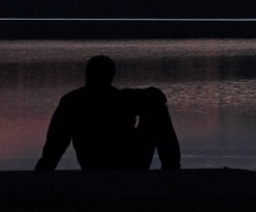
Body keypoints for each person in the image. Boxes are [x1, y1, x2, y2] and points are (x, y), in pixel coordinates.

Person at [35, 54, 181, 171]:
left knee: (157, 108)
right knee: (158, 110)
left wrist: (44, 168)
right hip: (129, 163)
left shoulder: (72, 101)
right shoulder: (122, 98)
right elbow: (159, 98)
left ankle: (171, 168)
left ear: (87, 75)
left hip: (92, 164)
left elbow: (55, 144)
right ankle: (172, 168)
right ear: (111, 77)